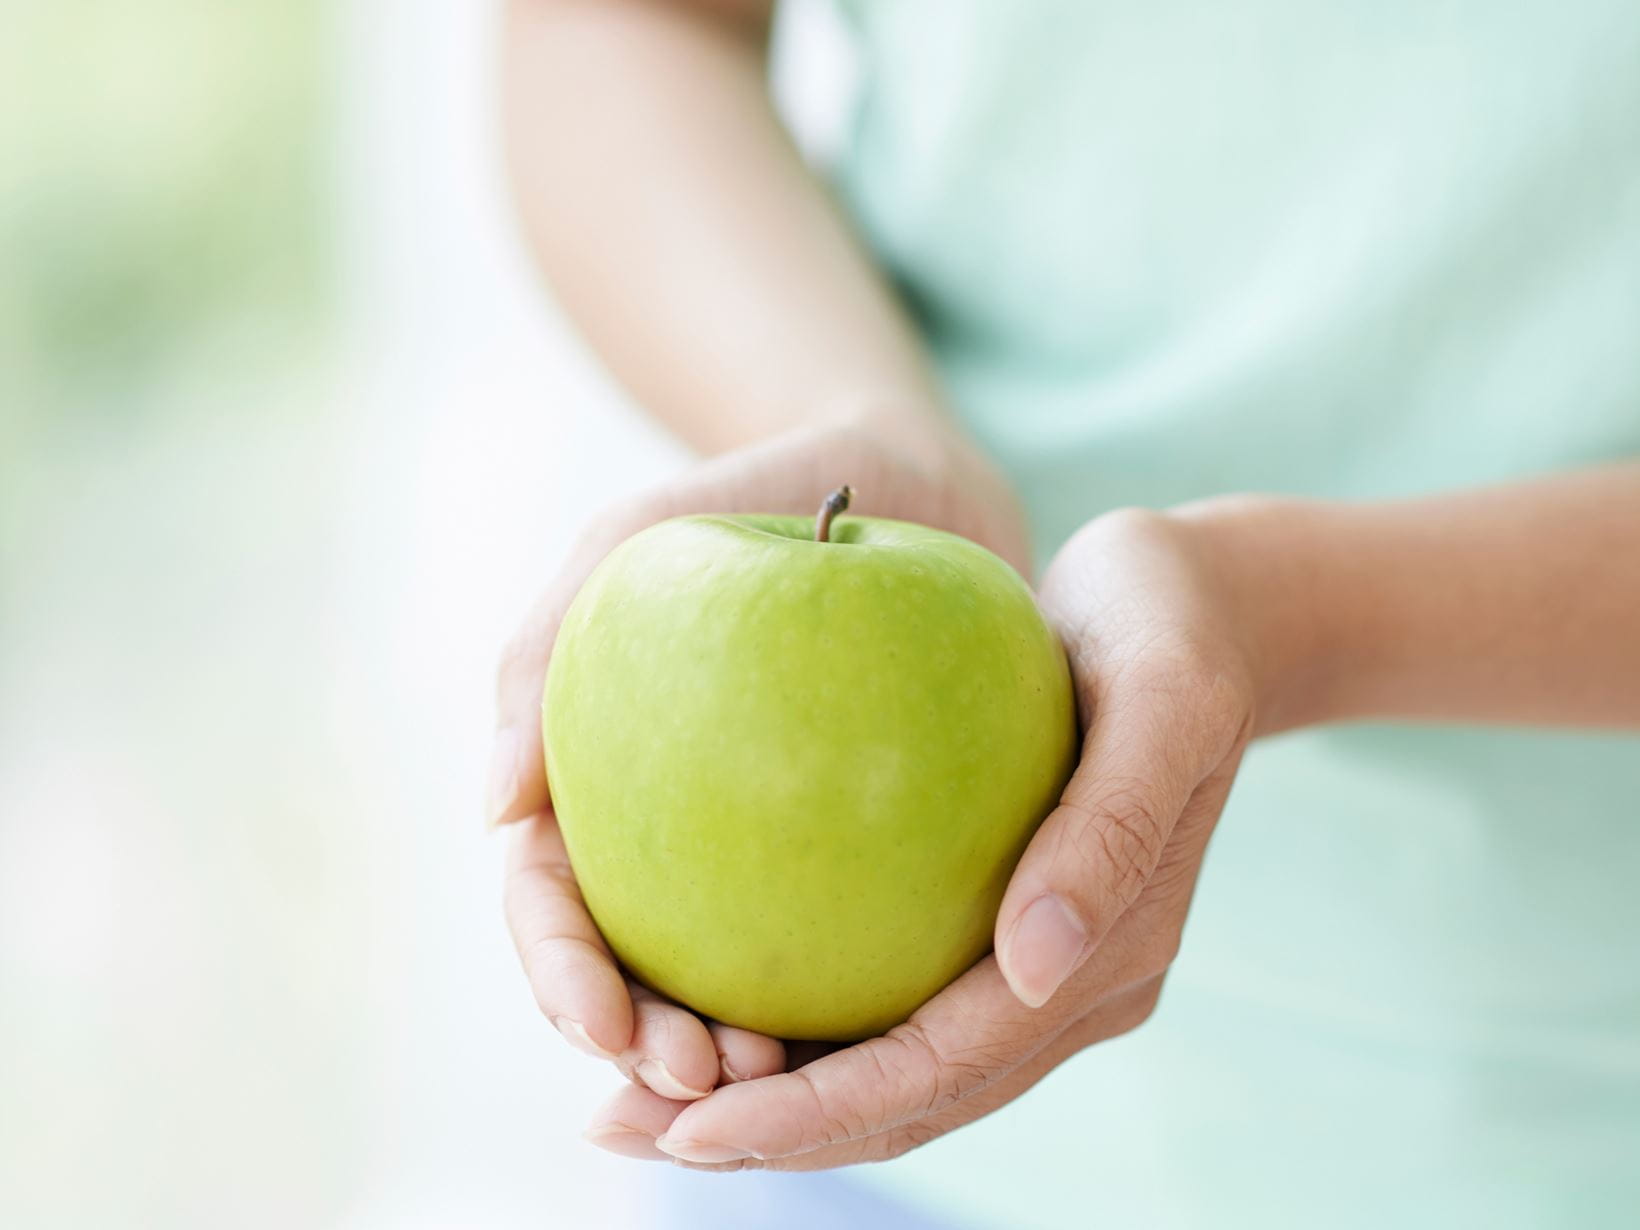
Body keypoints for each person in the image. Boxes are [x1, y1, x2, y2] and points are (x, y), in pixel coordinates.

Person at [489, 2, 1640, 1225]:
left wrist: (1295, 611)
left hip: (1556, 1130)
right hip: (836, 1169)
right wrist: (859, 412)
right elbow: (627, 24)